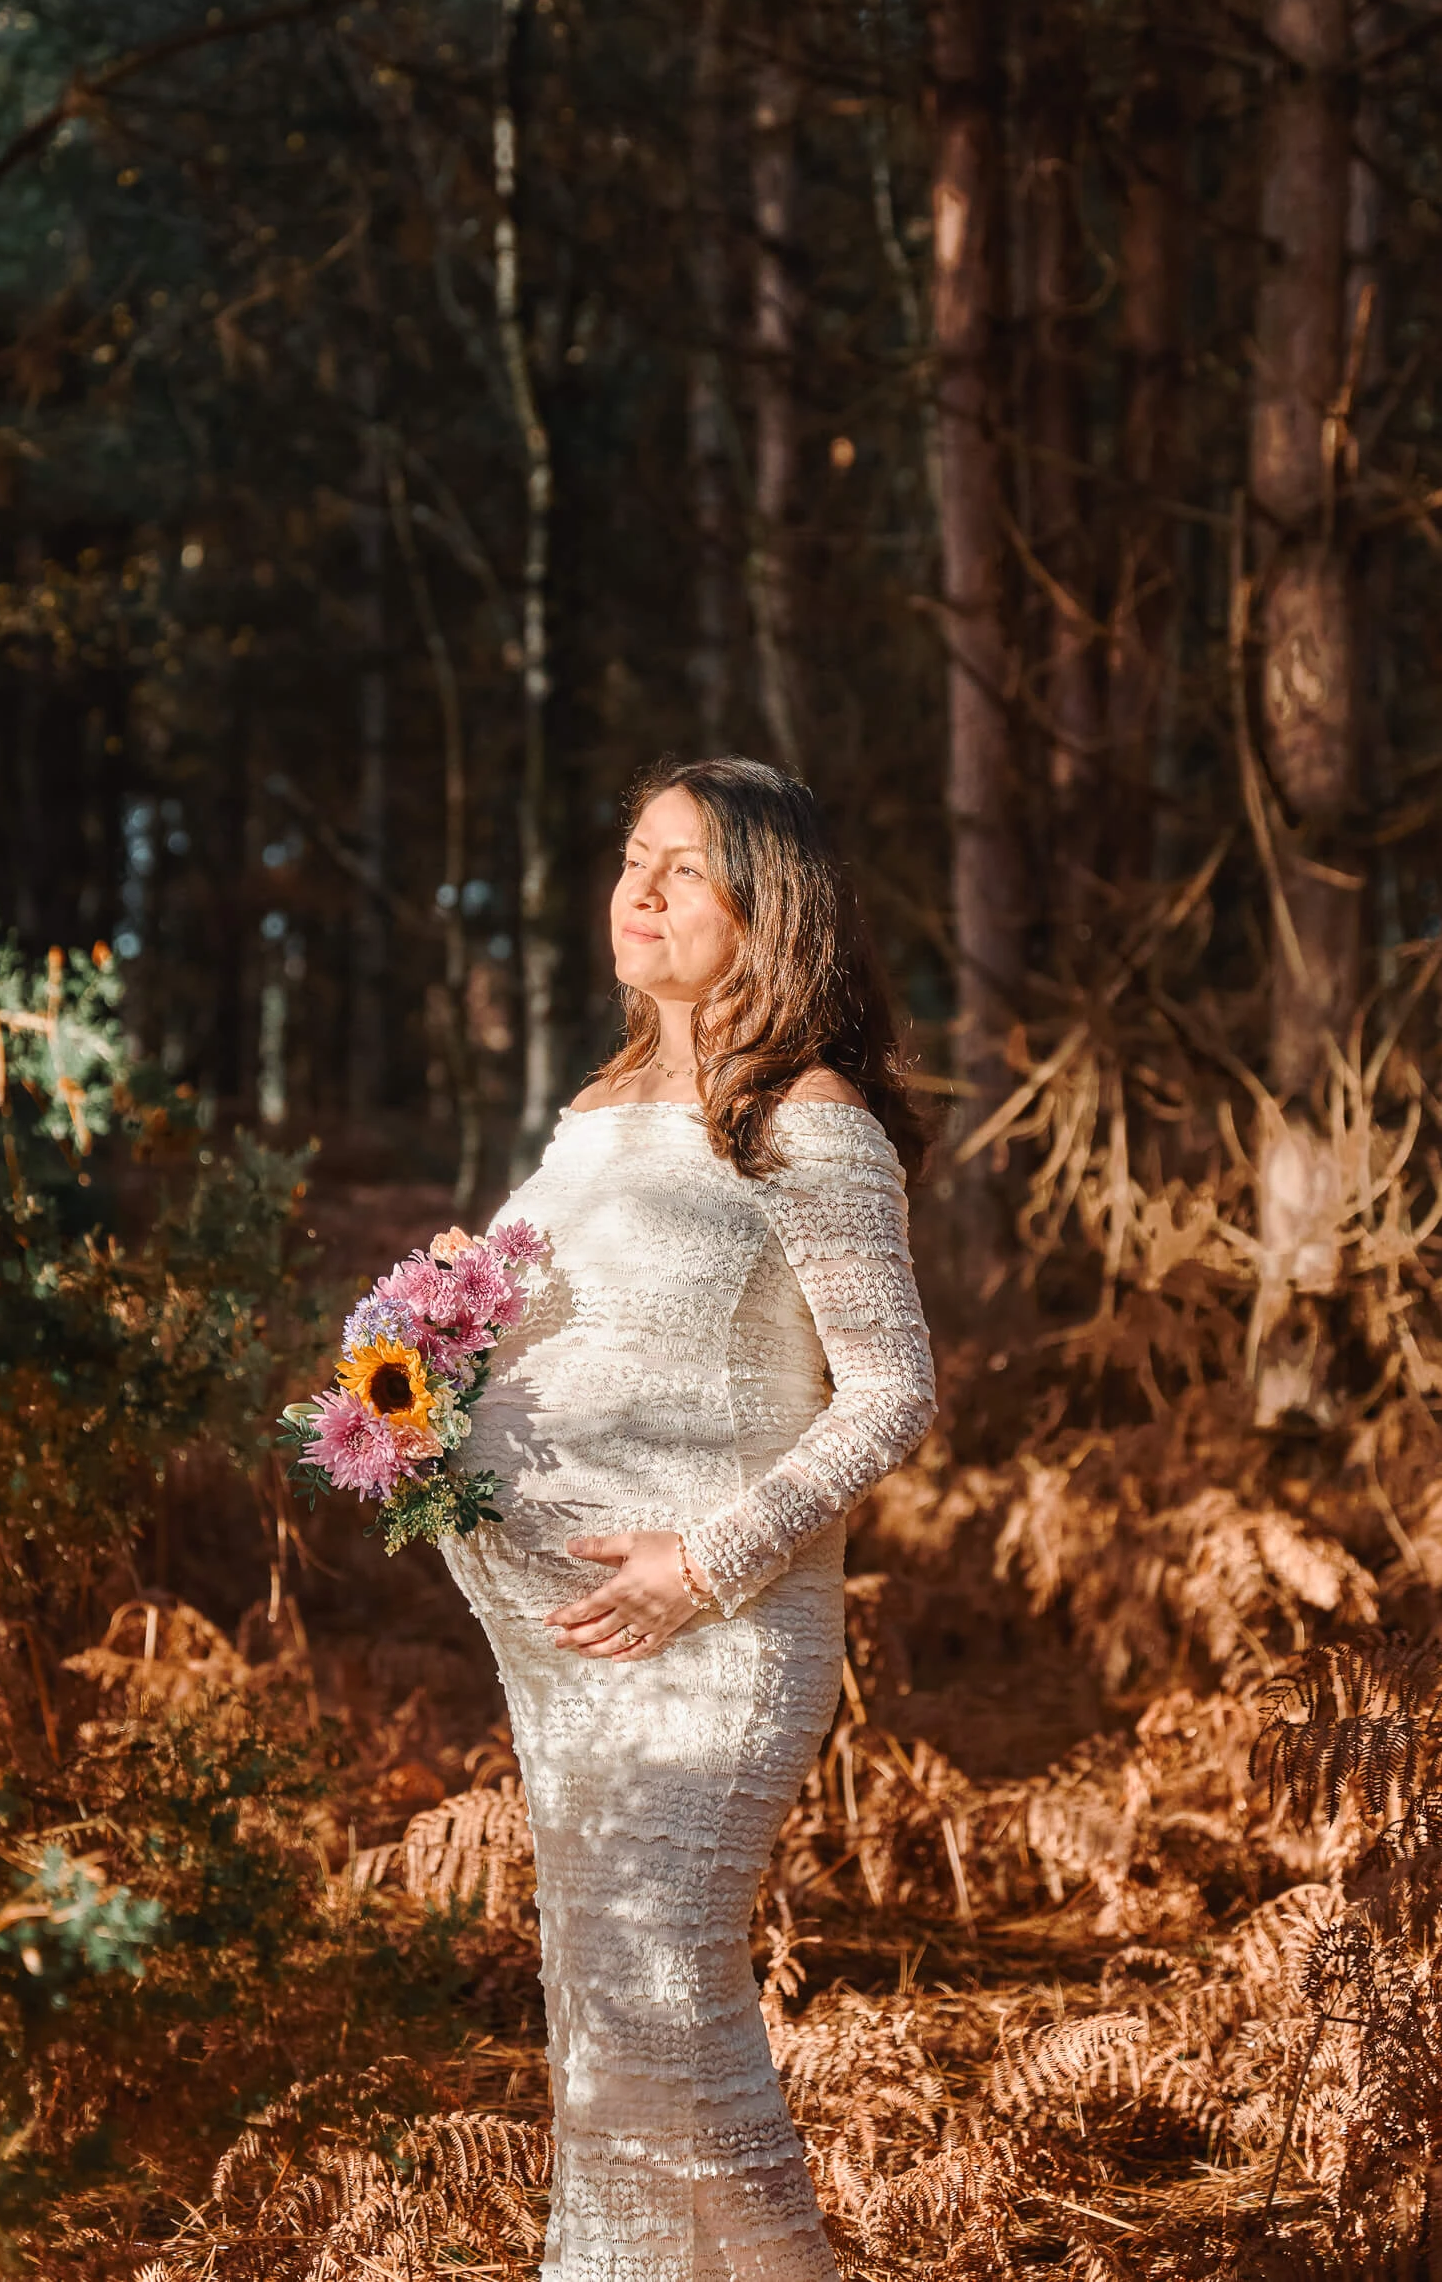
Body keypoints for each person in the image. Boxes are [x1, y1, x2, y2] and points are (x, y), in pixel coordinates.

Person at [441, 755, 936, 2281]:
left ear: (763, 912)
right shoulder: (594, 1111)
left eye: (685, 872)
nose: (639, 893)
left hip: (709, 1644)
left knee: (658, 2006)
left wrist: (698, 1562)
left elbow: (891, 1394)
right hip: (568, 1648)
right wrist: (413, 1381)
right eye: (633, 858)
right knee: (608, 2028)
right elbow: (515, 1317)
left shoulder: (804, 1116)